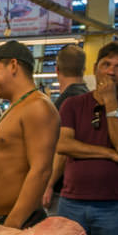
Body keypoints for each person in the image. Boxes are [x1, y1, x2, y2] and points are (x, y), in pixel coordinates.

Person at [54, 42, 118, 235]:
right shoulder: (73, 104)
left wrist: (111, 101)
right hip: (71, 200)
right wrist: (110, 154)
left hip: (113, 204)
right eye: (106, 65)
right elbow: (64, 145)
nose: (111, 72)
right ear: (95, 68)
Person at [0, 40, 58, 229]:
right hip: (0, 222)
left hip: (18, 224)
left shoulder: (37, 107)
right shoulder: (15, 108)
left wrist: (12, 224)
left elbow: (41, 170)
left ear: (13, 65)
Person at [44, 45, 90, 208]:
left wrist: (49, 183)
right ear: (84, 69)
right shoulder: (92, 99)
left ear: (57, 69)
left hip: (63, 189)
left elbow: (62, 150)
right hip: (85, 185)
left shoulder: (66, 103)